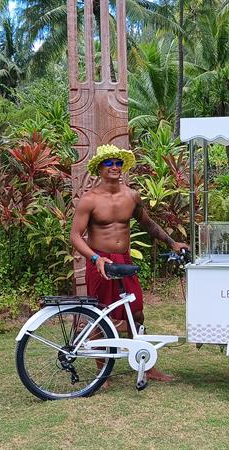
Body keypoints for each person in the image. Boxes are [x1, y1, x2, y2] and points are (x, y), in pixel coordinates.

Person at [70, 144, 188, 382]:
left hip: (124, 261)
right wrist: (95, 258)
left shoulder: (131, 196)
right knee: (100, 315)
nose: (114, 167)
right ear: (99, 169)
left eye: (118, 163)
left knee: (137, 312)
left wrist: (172, 243)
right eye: (109, 163)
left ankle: (145, 364)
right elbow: (74, 235)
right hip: (100, 262)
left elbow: (148, 224)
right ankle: (101, 372)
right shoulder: (89, 200)